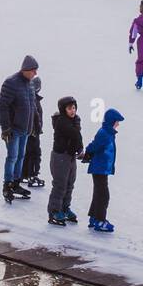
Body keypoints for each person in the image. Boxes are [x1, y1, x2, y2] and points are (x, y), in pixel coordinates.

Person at [0, 56, 38, 205]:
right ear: (26, 70)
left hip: (25, 129)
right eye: (33, 71)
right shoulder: (11, 83)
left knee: (21, 156)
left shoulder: (30, 84)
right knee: (12, 156)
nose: (35, 74)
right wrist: (6, 128)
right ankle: (7, 185)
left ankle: (16, 182)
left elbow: (32, 107)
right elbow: (2, 106)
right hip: (13, 129)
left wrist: (34, 125)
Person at [82, 107, 124, 232]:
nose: (118, 124)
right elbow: (94, 145)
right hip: (99, 168)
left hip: (102, 168)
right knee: (103, 195)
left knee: (99, 194)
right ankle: (100, 220)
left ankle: (94, 217)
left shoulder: (108, 133)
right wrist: (87, 153)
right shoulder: (104, 134)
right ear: (112, 121)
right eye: (117, 121)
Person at [47, 96, 83, 227]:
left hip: (70, 156)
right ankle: (54, 212)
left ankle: (65, 208)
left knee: (69, 184)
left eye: (74, 108)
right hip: (60, 157)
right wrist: (77, 123)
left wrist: (80, 149)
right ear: (63, 109)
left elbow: (77, 138)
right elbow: (74, 134)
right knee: (60, 185)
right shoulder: (62, 122)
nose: (73, 111)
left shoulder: (73, 121)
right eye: (69, 108)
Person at [20, 62, 46, 191]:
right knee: (35, 153)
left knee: (27, 152)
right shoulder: (34, 100)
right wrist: (37, 129)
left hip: (28, 130)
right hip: (33, 131)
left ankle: (24, 174)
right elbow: (35, 116)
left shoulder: (29, 97)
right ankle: (33, 175)